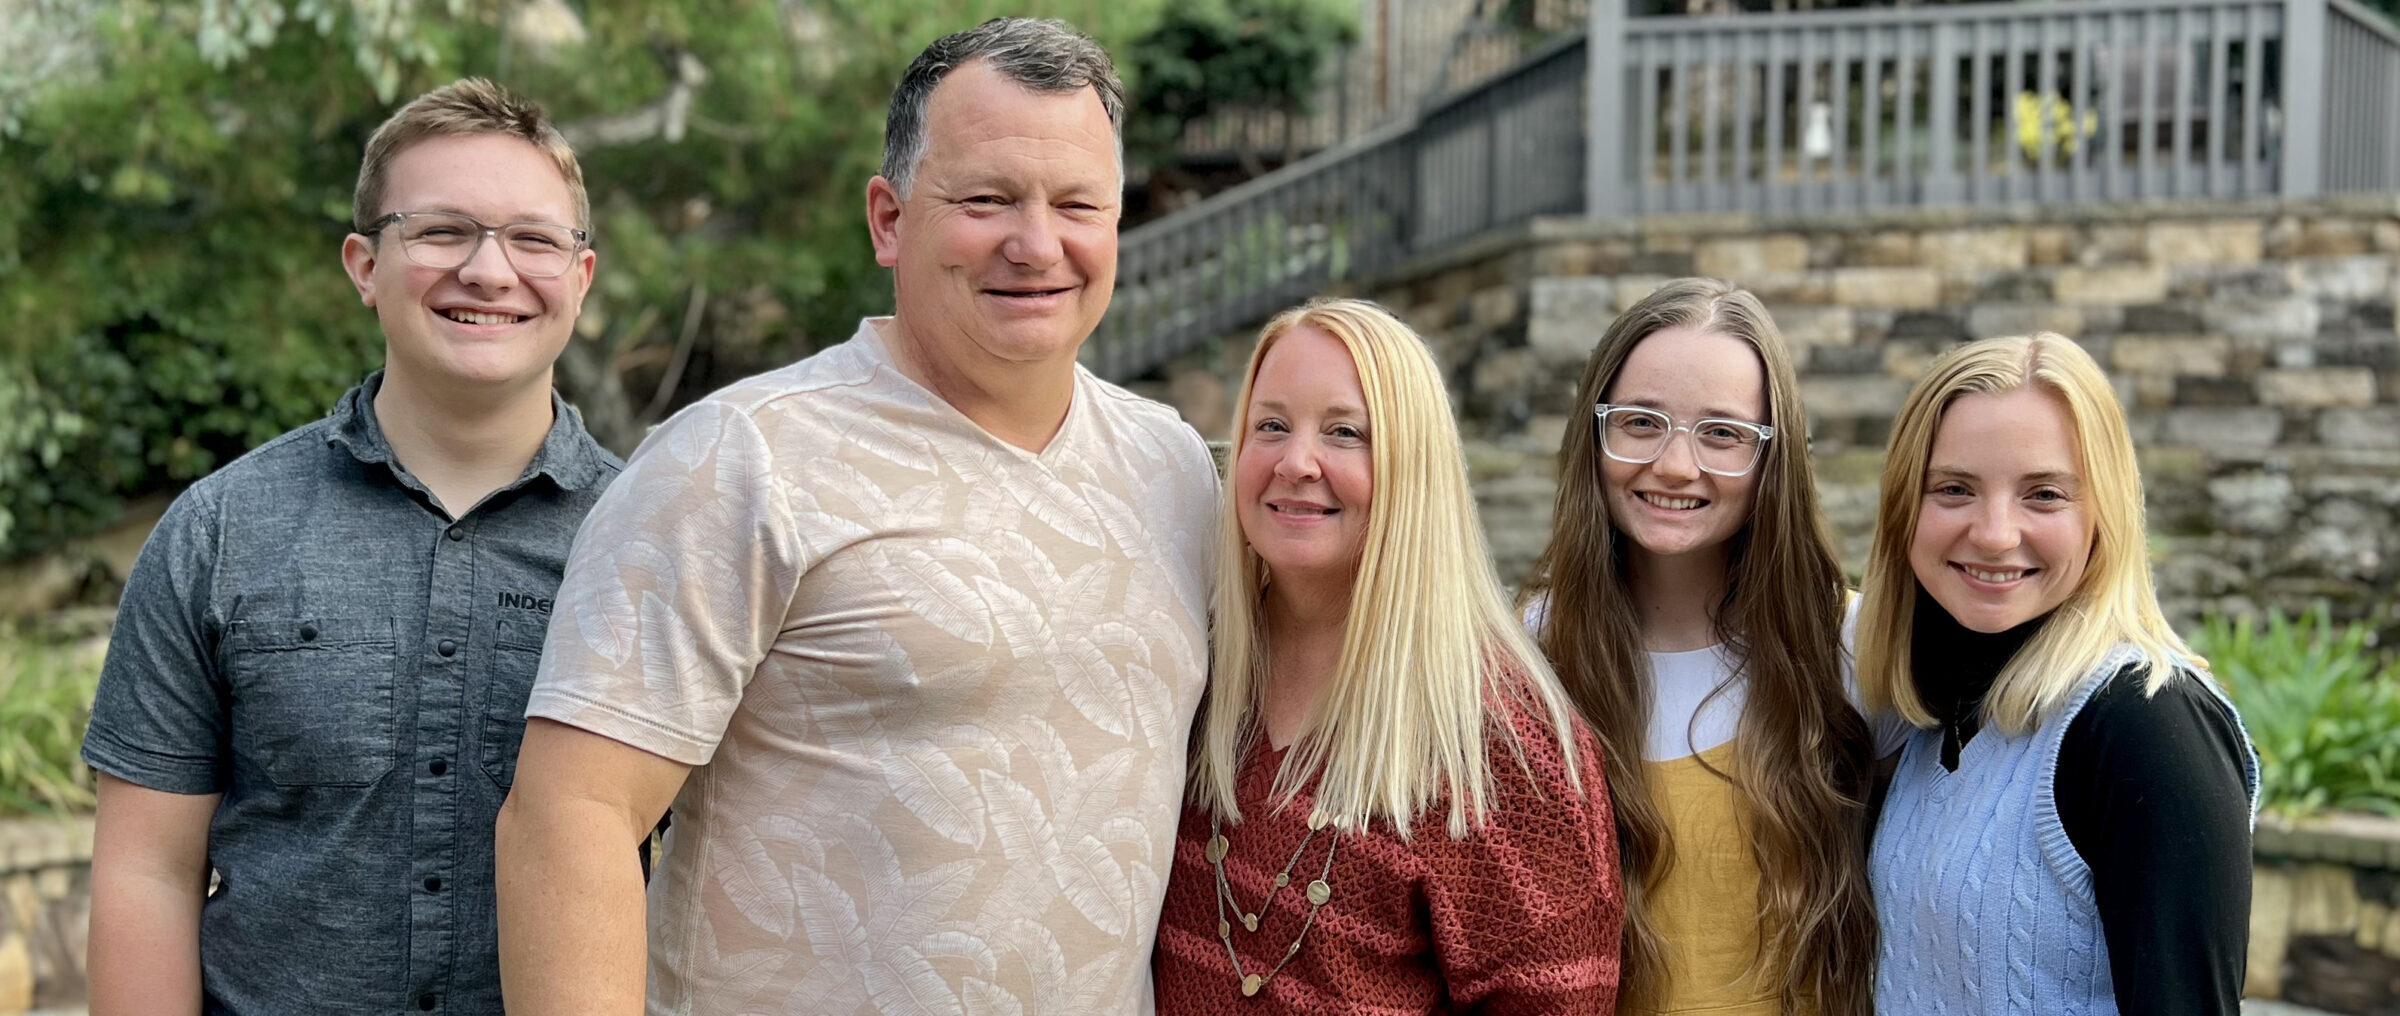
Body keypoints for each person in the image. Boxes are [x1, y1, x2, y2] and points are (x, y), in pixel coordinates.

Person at [493, 17, 1218, 1016]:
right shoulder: (740, 458)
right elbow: (570, 815)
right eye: (987, 198)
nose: (1036, 241)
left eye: (1077, 203)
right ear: (888, 217)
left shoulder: (1174, 465)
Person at [79, 78, 615, 1016]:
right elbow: (147, 872)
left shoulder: (655, 538)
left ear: (580, 276)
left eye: (533, 238)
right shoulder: (218, 531)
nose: (490, 272)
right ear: (365, 265)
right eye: (443, 231)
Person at [1151, 298, 1621, 1014]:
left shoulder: (1501, 748)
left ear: (1414, 469)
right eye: (1270, 425)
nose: (1296, 461)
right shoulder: (1191, 671)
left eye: (1345, 432)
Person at [1856, 333, 2258, 1016]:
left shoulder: (2144, 724)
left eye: (2043, 494)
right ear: (1903, 508)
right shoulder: (1932, 715)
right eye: (1954, 488)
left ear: (2101, 516)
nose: (1994, 532)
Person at [1518, 278, 1878, 1016]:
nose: (1677, 466)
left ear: (1773, 457)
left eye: (1722, 434)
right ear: (1595, 430)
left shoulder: (1850, 648)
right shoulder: (1530, 653)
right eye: (1642, 422)